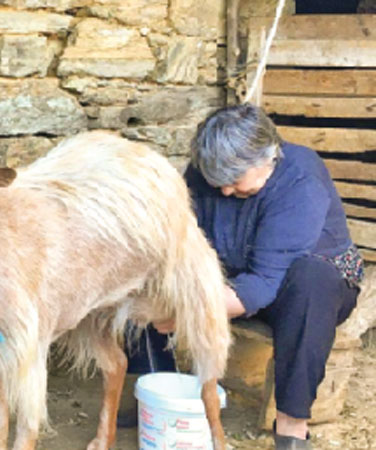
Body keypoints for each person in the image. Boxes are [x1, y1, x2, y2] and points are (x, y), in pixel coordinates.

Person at [127, 104, 363, 450]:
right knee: (145, 266)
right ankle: (156, 389)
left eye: (235, 181)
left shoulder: (300, 178)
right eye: (217, 182)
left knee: (311, 282)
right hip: (232, 276)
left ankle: (292, 427)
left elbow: (263, 284)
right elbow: (182, 235)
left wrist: (189, 310)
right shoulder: (206, 174)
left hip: (300, 288)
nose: (224, 192)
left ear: (267, 159)